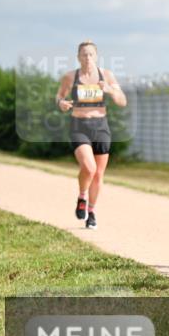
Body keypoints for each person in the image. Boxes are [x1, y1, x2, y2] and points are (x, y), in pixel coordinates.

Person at [55, 41, 127, 230]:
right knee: (89, 168)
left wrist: (109, 90)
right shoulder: (70, 77)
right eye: (84, 54)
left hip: (100, 127)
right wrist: (61, 103)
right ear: (78, 57)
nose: (87, 58)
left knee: (98, 174)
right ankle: (82, 196)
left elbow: (122, 101)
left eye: (90, 54)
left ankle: (92, 212)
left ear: (96, 56)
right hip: (79, 126)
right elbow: (59, 96)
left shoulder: (106, 75)